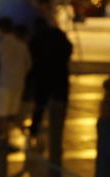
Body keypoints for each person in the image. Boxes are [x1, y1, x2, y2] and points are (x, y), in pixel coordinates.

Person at [27, 15, 72, 151]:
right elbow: (69, 49)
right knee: (60, 106)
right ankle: (58, 134)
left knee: (39, 106)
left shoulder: (36, 38)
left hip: (43, 76)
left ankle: (33, 132)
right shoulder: (58, 34)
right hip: (60, 75)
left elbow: (31, 57)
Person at [0, 17, 30, 147]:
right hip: (18, 83)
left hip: (3, 83)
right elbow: (28, 65)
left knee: (3, 114)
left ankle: (4, 139)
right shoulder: (21, 45)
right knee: (14, 113)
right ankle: (28, 135)